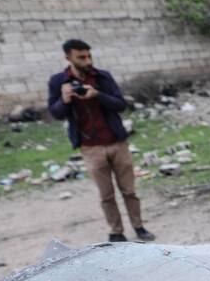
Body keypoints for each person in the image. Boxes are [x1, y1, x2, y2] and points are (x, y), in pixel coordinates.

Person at [47, 39, 155, 243]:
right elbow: (56, 113)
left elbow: (120, 105)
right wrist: (65, 100)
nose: (87, 61)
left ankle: (139, 227)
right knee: (106, 194)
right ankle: (116, 232)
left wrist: (97, 95)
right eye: (81, 57)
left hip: (116, 142)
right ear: (68, 58)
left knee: (129, 190)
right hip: (90, 148)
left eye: (89, 56)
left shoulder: (103, 77)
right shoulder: (58, 82)